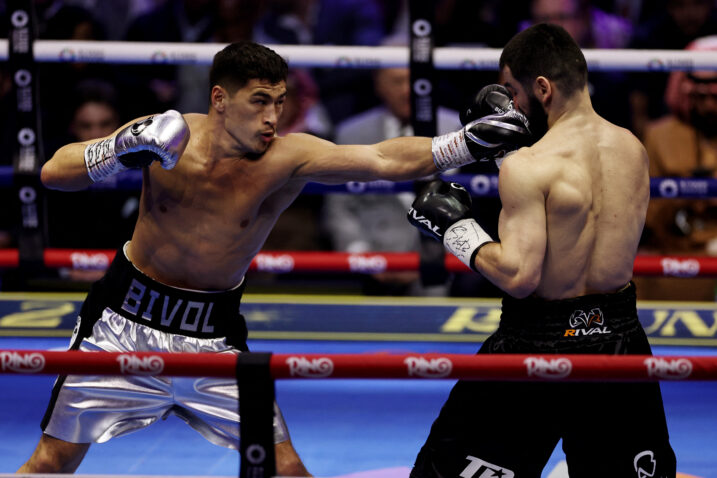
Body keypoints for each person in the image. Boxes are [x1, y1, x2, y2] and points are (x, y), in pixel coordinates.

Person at [17, 41, 531, 474]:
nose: (272, 117)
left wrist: (465, 144)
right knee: (50, 462)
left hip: (213, 335)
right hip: (121, 323)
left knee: (285, 468)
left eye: (279, 102)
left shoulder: (288, 158)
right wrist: (120, 148)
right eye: (259, 101)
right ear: (220, 99)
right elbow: (53, 172)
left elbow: (380, 158)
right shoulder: (167, 135)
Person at [407, 24, 676, 477]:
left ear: (543, 88)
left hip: (536, 341)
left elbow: (519, 275)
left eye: (512, 92)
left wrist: (458, 230)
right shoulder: (634, 148)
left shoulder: (527, 165)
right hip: (619, 340)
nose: (508, 106)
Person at [322, 59, 462, 296]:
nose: (408, 89)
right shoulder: (352, 132)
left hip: (437, 261)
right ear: (379, 85)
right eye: (397, 81)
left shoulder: (456, 130)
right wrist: (363, 256)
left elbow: (466, 206)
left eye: (415, 81)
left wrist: (434, 258)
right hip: (369, 264)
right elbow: (339, 207)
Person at [638, 35, 717, 301]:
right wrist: (681, 197)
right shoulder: (659, 137)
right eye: (701, 95)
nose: (708, 106)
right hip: (674, 253)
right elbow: (646, 217)